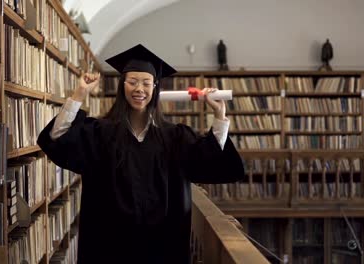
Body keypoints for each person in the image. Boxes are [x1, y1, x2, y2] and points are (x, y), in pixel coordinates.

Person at [37, 44, 244, 264]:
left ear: (155, 88)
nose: (139, 89)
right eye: (132, 82)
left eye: (146, 83)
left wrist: (220, 115)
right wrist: (79, 94)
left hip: (162, 248)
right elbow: (58, 138)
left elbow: (209, 161)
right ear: (122, 86)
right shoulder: (100, 133)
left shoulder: (175, 137)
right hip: (109, 247)